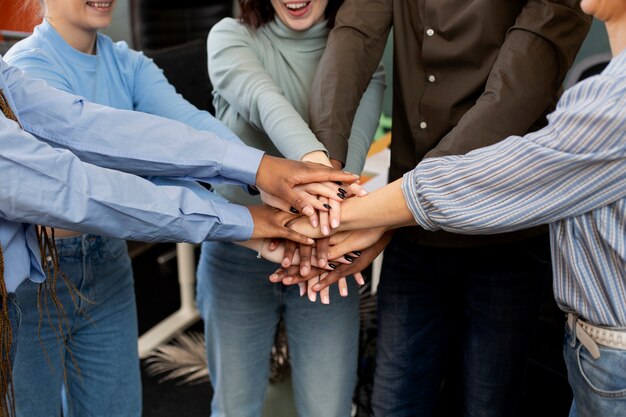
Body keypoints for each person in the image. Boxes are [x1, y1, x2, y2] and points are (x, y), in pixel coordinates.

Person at [275, 3, 626, 416]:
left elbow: (512, 96)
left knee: (487, 403)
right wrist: (324, 172)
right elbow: (354, 34)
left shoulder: (605, 102)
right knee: (394, 402)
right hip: (412, 239)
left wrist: (360, 216)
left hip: (505, 241)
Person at [4, 0, 335, 414]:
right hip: (35, 280)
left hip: (108, 259)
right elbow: (98, 190)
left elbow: (185, 129)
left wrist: (261, 181)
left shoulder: (124, 62)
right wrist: (251, 224)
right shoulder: (24, 70)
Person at [196, 0, 385, 415]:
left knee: (328, 408)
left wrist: (319, 215)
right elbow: (265, 100)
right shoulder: (231, 36)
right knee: (233, 408)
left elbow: (348, 161)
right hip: (239, 249)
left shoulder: (363, 51)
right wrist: (318, 175)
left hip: (325, 255)